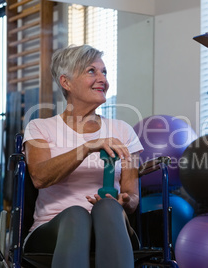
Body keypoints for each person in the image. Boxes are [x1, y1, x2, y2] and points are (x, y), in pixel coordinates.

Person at [22, 44, 143, 268]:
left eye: (104, 72)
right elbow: (39, 177)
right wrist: (87, 147)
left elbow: (132, 197)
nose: (103, 79)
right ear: (65, 82)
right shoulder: (40, 127)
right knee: (76, 215)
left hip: (111, 226)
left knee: (107, 208)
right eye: (91, 71)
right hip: (53, 229)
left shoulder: (123, 131)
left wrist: (124, 201)